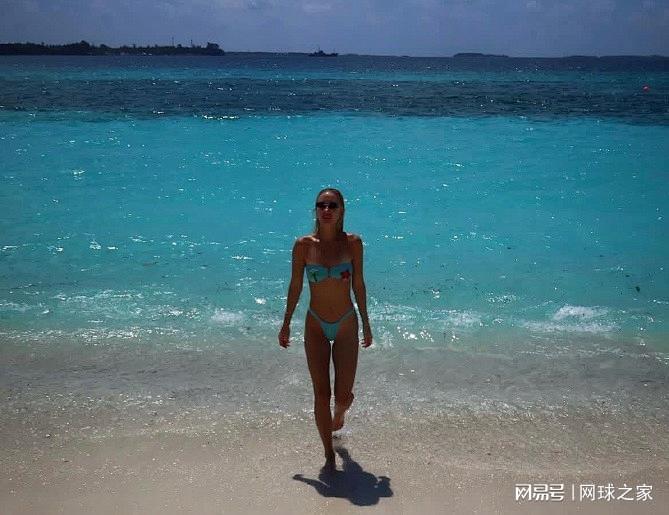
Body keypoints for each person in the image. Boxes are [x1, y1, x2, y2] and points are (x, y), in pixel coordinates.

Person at [278, 187, 373, 471]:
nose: (327, 210)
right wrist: (286, 323)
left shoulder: (353, 243)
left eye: (332, 205)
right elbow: (295, 286)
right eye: (322, 205)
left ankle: (340, 413)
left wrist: (366, 323)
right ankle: (328, 454)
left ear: (342, 210)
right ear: (315, 210)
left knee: (342, 396)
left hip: (345, 323)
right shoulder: (303, 246)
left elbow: (359, 284)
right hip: (315, 324)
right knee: (321, 394)